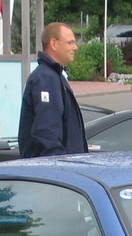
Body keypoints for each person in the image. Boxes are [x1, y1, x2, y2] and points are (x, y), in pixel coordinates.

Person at [18, 22, 87, 158]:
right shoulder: (46, 79)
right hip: (55, 167)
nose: (75, 47)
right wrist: (59, 164)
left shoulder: (54, 76)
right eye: (70, 43)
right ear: (54, 44)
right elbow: (46, 132)